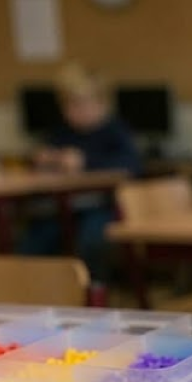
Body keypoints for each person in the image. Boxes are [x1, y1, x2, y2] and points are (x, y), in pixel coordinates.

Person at [21, 62, 141, 283]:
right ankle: (35, 290)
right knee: (33, 242)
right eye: (70, 105)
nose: (77, 111)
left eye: (83, 104)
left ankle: (92, 291)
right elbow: (40, 162)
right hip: (62, 207)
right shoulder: (61, 132)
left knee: (91, 240)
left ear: (103, 103)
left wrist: (86, 161)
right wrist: (45, 160)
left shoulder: (115, 131)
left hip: (103, 205)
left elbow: (130, 166)